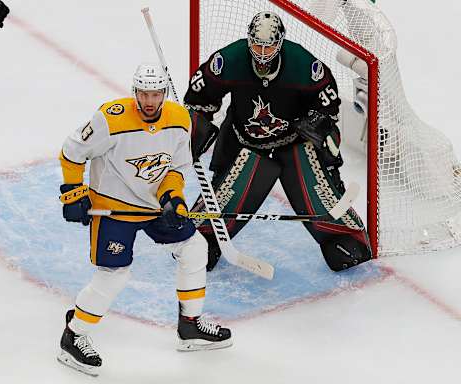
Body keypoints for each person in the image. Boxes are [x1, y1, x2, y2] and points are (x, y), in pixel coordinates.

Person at [57, 63, 232, 376]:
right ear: (134, 91)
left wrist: (172, 199)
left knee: (194, 249)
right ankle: (74, 335)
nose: (149, 101)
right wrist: (73, 192)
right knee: (114, 275)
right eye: (143, 93)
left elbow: (174, 170)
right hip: (114, 206)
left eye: (155, 94)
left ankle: (190, 326)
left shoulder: (180, 120)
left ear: (163, 93)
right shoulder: (110, 119)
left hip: (154, 206)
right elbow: (72, 151)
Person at [185, 11, 372, 272]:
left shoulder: (303, 64)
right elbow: (198, 98)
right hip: (243, 141)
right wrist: (196, 128)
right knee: (223, 202)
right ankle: (205, 238)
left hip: (292, 143)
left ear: (280, 42)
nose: (262, 52)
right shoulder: (228, 60)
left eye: (269, 45)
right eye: (257, 44)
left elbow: (328, 105)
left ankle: (340, 236)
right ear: (248, 40)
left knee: (319, 192)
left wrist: (319, 126)